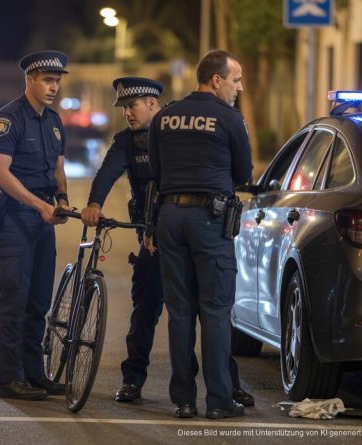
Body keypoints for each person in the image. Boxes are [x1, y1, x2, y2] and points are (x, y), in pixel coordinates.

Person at [147, 50, 253, 419]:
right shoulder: (229, 118)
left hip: (170, 216)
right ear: (216, 80)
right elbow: (243, 172)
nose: (239, 88)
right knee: (215, 310)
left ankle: (184, 400)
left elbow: (156, 172)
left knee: (179, 312)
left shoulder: (164, 117)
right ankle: (220, 401)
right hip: (210, 219)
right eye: (236, 80)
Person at [0, 50, 71, 401]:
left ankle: (34, 374)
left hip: (42, 219)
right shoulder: (8, 120)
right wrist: (40, 205)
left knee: (38, 301)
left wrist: (62, 200)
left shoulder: (53, 121)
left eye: (57, 81)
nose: (53, 87)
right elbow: (0, 173)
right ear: (30, 80)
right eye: (47, 80)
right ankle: (10, 379)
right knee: (14, 299)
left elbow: (58, 169)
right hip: (14, 218)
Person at [80, 77, 164, 403]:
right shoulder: (126, 141)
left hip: (179, 233)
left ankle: (226, 383)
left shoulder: (175, 135)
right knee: (144, 309)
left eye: (133, 105)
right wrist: (94, 204)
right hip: (149, 236)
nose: (127, 113)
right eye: (124, 107)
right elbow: (107, 172)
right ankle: (133, 380)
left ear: (153, 103)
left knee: (205, 312)